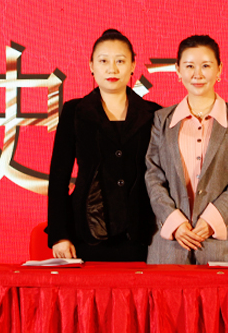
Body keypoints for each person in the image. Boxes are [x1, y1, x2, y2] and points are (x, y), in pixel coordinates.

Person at [47, 29, 161, 262]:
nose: (112, 69)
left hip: (144, 235)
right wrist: (60, 235)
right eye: (103, 61)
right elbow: (59, 178)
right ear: (91, 65)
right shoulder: (75, 112)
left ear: (133, 65)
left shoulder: (154, 114)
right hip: (88, 232)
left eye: (120, 61)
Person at [145, 35, 228, 264]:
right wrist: (175, 222)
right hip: (170, 243)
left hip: (221, 242)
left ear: (219, 69)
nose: (198, 74)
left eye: (206, 65)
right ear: (178, 70)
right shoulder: (162, 119)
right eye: (189, 66)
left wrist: (212, 220)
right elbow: (153, 175)